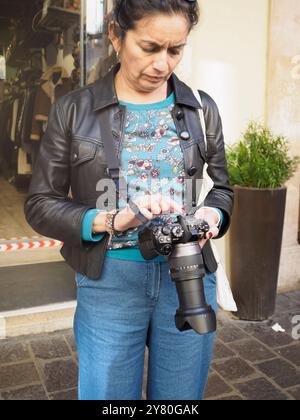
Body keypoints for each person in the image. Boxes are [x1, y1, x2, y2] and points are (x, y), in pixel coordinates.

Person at [24, 0, 234, 400]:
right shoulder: (73, 109)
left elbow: (223, 189)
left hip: (189, 278)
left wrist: (212, 214)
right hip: (110, 283)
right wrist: (110, 220)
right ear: (117, 37)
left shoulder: (201, 108)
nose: (163, 64)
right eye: (151, 47)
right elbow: (40, 203)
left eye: (176, 50)